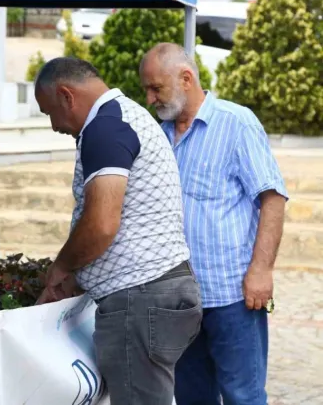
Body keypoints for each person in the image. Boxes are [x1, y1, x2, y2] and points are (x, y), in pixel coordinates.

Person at [34, 57, 202, 405]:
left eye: (49, 112)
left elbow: (101, 224)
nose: (53, 126)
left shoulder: (105, 127)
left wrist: (61, 267)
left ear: (66, 95)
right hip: (155, 292)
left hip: (139, 300)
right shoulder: (125, 117)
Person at [140, 42, 288, 405]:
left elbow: (272, 199)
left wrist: (261, 271)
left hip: (232, 297)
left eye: (156, 88)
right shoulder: (158, 134)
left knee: (243, 398)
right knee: (192, 399)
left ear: (186, 78)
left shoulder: (236, 123)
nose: (149, 99)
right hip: (179, 301)